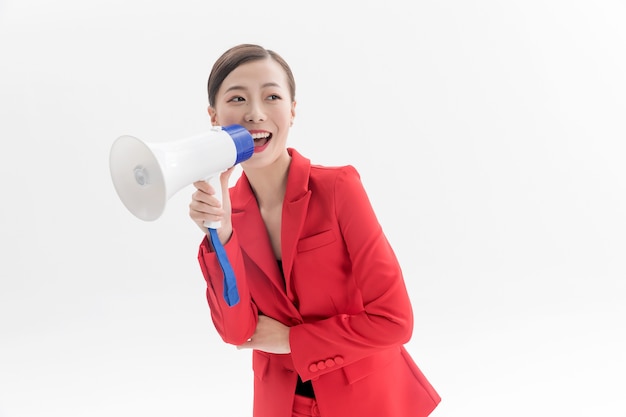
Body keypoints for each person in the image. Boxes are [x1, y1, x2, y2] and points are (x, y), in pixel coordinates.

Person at [188, 43, 441, 417]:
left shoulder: (338, 188)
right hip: (281, 404)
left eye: (271, 96)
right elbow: (236, 331)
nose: (255, 113)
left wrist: (292, 340)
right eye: (238, 98)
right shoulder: (229, 211)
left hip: (365, 402)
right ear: (215, 116)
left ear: (291, 110)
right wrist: (220, 232)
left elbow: (395, 321)